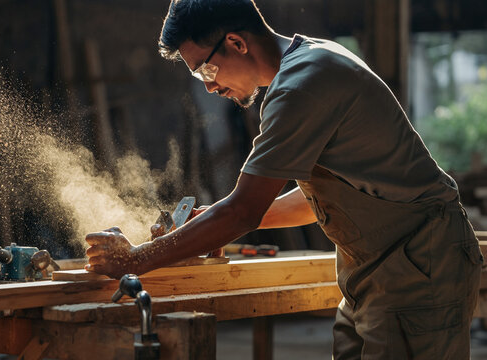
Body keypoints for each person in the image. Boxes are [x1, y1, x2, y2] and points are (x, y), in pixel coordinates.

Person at [84, 0, 482, 358]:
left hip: (419, 265)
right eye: (198, 75)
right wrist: (209, 223)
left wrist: (135, 259)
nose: (208, 85)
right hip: (379, 270)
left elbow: (243, 210)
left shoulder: (300, 86)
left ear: (237, 43)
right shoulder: (309, 60)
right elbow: (314, 198)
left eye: (206, 68)